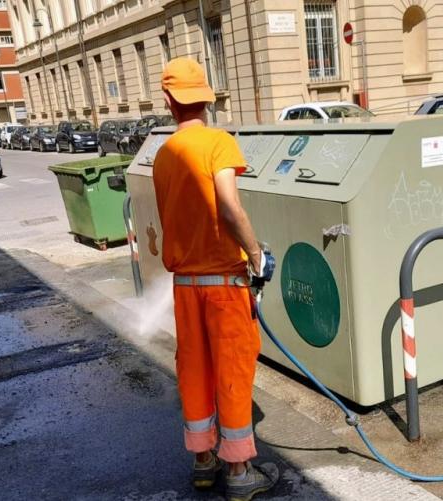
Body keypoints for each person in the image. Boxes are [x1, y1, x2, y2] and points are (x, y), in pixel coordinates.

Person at [153, 57, 279, 500]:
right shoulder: (219, 143)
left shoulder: (163, 155)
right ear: (207, 97)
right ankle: (240, 471)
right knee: (232, 371)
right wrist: (256, 253)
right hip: (223, 287)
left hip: (185, 287)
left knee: (194, 371)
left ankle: (203, 461)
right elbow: (228, 206)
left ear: (168, 100)